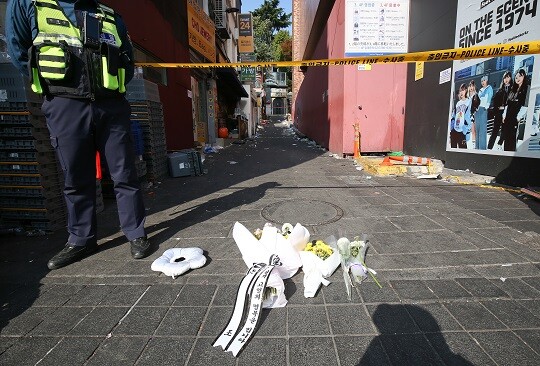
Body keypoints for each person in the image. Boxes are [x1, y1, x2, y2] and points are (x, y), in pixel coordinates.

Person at [6, 0, 151, 269]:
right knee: (76, 176)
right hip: (65, 102)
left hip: (111, 105)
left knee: (125, 173)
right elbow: (19, 52)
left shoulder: (109, 15)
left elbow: (127, 60)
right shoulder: (31, 5)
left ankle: (136, 233)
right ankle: (81, 239)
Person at [500, 68, 529, 151]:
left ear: (524, 77)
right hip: (507, 119)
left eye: (520, 76)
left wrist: (518, 117)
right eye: (516, 77)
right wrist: (504, 115)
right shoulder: (513, 90)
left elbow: (525, 106)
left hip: (514, 120)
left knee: (512, 141)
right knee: (506, 140)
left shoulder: (526, 89)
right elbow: (507, 104)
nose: (518, 79)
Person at [488, 71, 512, 150]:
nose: (506, 79)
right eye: (505, 77)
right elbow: (494, 103)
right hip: (499, 114)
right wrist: (498, 110)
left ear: (511, 78)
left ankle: (499, 145)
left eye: (508, 77)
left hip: (508, 114)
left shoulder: (512, 90)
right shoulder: (500, 91)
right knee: (494, 132)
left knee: (504, 131)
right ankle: (489, 148)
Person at [449, 83, 472, 148]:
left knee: (463, 151)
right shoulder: (458, 103)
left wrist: (465, 129)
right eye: (460, 90)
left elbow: (470, 117)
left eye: (463, 90)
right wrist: (452, 128)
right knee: (453, 151)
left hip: (462, 131)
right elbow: (453, 116)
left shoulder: (469, 101)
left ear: (466, 91)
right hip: (455, 130)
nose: (461, 92)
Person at [475, 75, 493, 150]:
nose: (483, 82)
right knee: (477, 128)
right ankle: (477, 146)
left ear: (487, 80)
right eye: (482, 81)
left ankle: (482, 148)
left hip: (483, 109)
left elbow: (490, 96)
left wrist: (486, 106)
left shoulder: (489, 88)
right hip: (478, 110)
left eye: (484, 80)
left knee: (482, 129)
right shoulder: (480, 90)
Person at [467, 80, 480, 148]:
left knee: (473, 130)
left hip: (473, 115)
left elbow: (478, 105)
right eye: (470, 86)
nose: (471, 87)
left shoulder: (476, 95)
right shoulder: (467, 96)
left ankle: (474, 145)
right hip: (467, 115)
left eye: (472, 86)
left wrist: (475, 110)